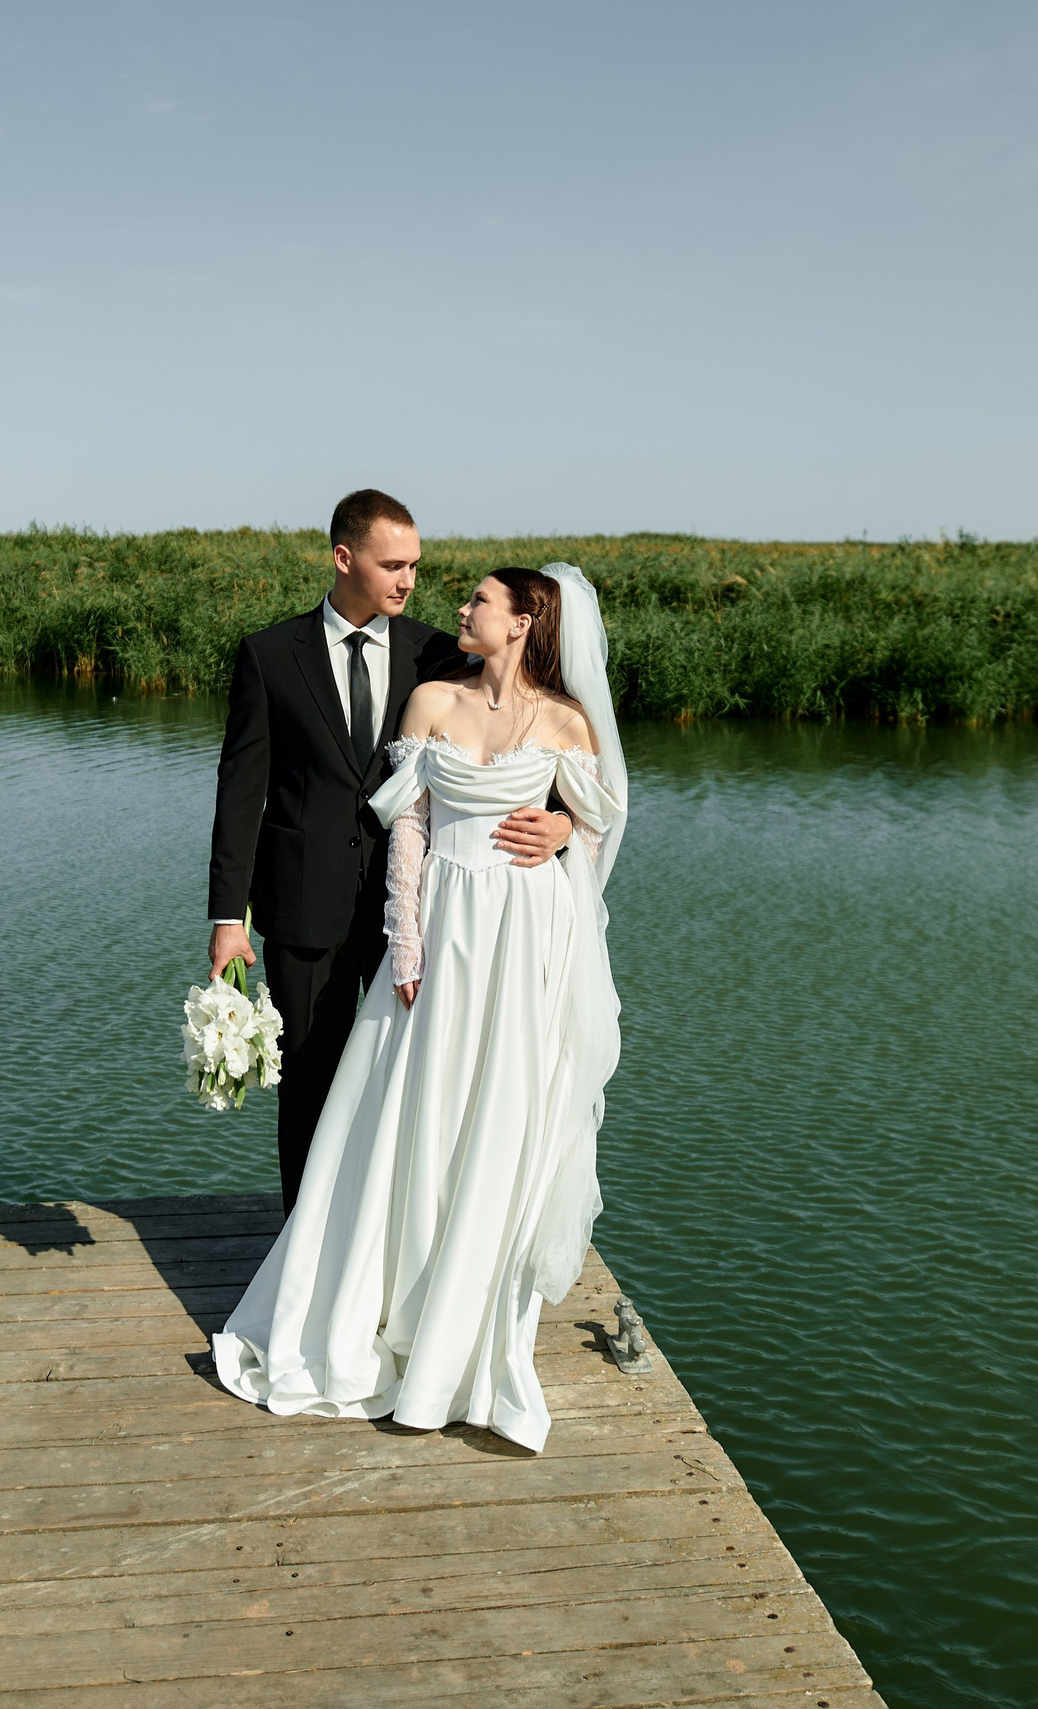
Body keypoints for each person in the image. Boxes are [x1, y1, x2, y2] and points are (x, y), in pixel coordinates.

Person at [211, 563, 629, 1452]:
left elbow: (597, 828)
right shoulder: (432, 702)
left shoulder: (567, 722)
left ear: (523, 623)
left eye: (480, 600)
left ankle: (468, 1339)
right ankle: (391, 1306)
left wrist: (564, 828)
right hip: (445, 931)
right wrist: (406, 937)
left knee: (499, 1121)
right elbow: (410, 828)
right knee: (414, 1113)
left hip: (526, 938)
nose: (460, 607)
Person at [206, 490, 572, 1210]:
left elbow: (529, 730)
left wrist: (560, 824)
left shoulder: (438, 651)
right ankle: (303, 1242)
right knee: (308, 1086)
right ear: (345, 558)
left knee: (406, 1083)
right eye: (393, 565)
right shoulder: (270, 655)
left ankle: (381, 1241)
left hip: (421, 915)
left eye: (415, 565)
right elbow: (240, 796)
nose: (409, 579)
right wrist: (226, 918)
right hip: (302, 910)